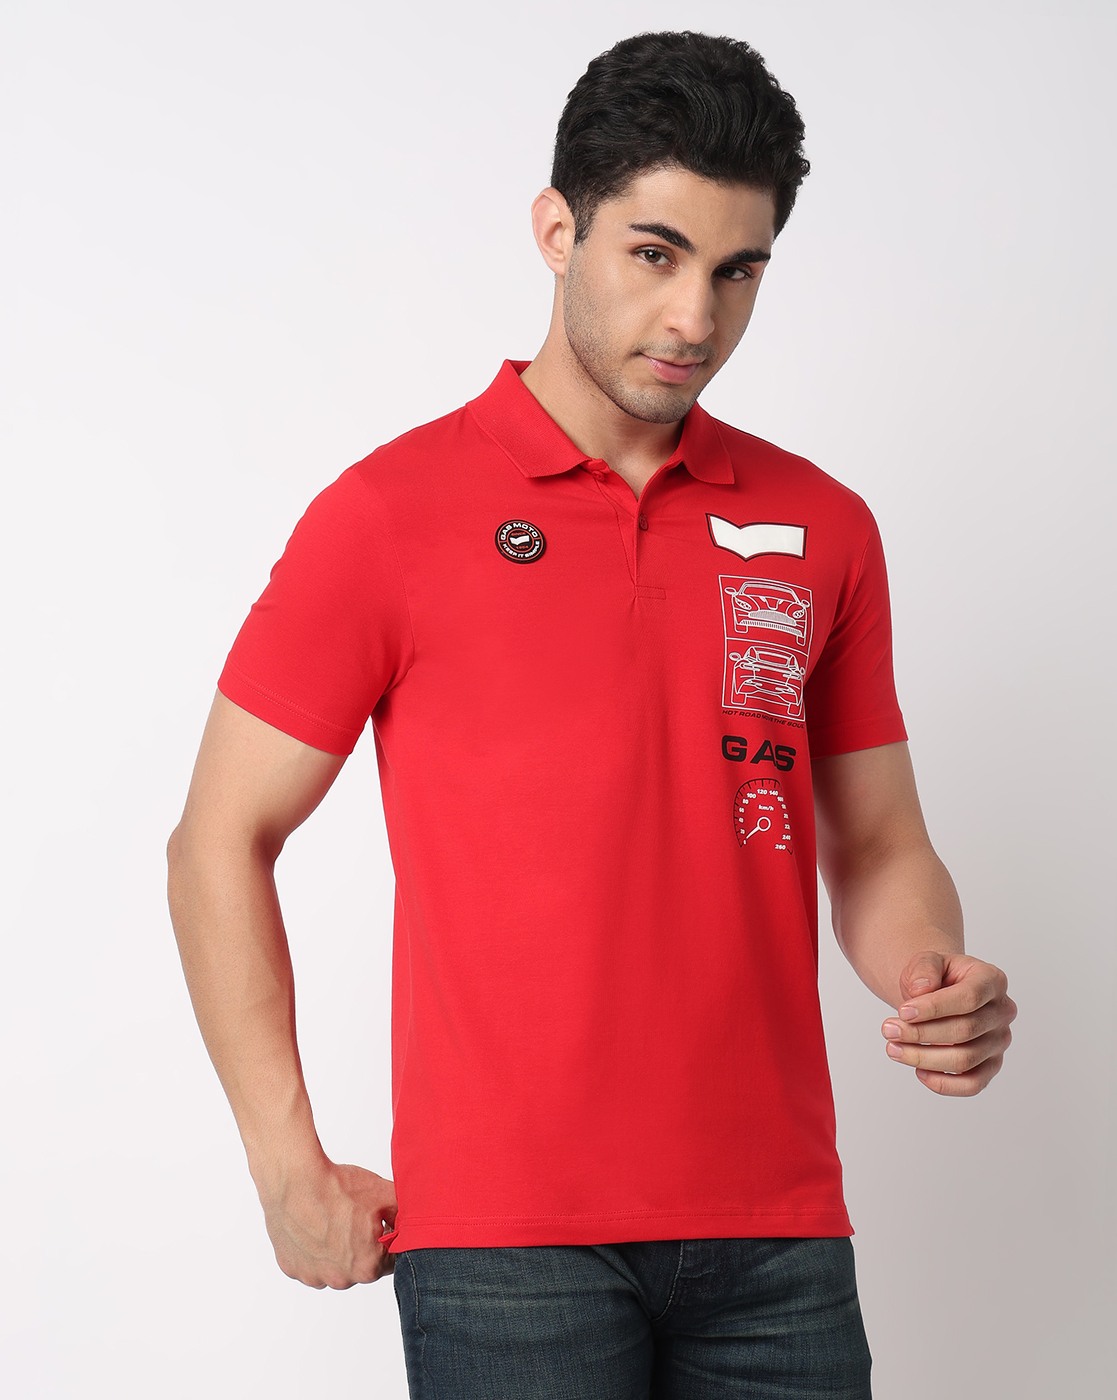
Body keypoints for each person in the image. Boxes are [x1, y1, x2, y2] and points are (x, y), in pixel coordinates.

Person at [167, 29, 1017, 1400]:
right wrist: (285, 1164)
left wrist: (932, 977)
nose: (694, 318)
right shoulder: (387, 517)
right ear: (557, 230)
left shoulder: (822, 526)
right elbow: (217, 837)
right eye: (655, 254)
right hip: (505, 1246)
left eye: (738, 271)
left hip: (778, 1234)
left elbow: (876, 844)